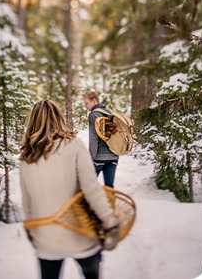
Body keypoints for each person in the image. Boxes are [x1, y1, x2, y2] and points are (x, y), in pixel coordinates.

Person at [20, 99, 119, 279]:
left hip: (46, 237)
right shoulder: (74, 146)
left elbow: (28, 201)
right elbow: (92, 191)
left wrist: (32, 230)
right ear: (59, 118)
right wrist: (110, 223)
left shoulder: (27, 154)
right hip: (80, 234)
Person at [83, 91, 119, 188]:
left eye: (86, 103)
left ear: (94, 101)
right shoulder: (109, 112)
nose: (85, 106)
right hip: (113, 156)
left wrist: (91, 159)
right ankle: (110, 203)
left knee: (88, 188)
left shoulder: (94, 115)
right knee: (109, 187)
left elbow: (93, 138)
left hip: (99, 158)